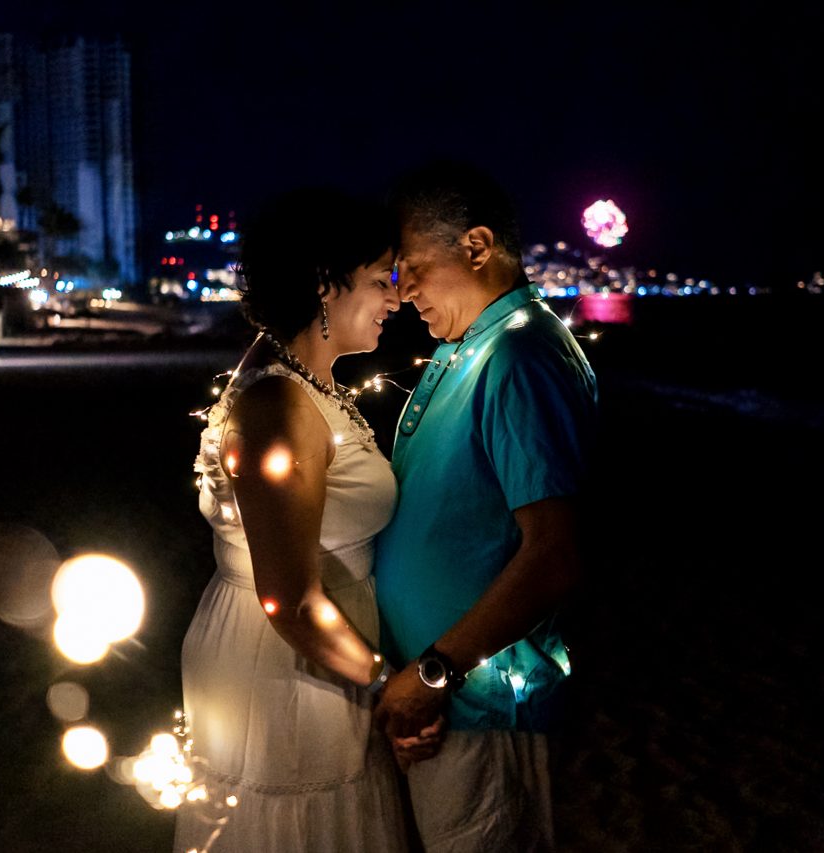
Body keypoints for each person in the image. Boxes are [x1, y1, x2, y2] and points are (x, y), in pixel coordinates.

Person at [175, 188, 410, 853]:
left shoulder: (304, 383)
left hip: (310, 652)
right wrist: (389, 686)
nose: (394, 298)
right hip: (287, 660)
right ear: (323, 284)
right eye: (377, 279)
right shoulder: (279, 404)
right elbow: (290, 599)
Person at [372, 163, 598, 851]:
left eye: (412, 266)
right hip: (448, 709)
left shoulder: (519, 357)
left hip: (487, 709)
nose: (401, 289)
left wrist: (435, 669)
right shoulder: (469, 348)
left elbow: (555, 555)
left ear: (476, 246)